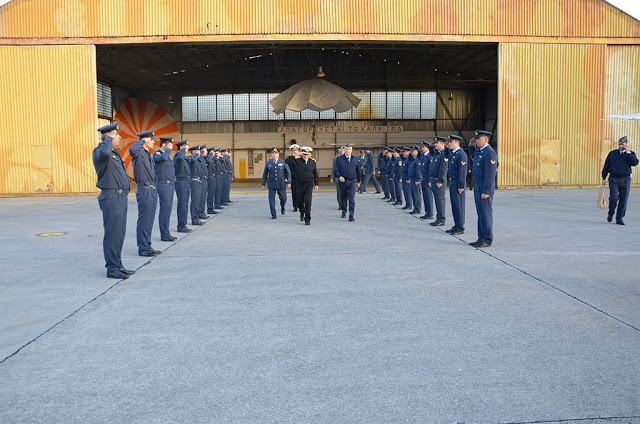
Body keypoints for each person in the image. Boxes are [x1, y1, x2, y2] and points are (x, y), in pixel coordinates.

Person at [93, 122, 135, 279]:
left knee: (119, 233)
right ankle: (112, 268)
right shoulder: (100, 151)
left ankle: (118, 264)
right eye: (117, 135)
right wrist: (109, 139)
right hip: (111, 197)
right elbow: (103, 153)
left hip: (120, 197)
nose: (120, 138)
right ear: (109, 136)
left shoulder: (114, 153)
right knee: (112, 234)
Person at [129, 130, 161, 257]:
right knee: (144, 220)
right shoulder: (138, 153)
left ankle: (147, 245)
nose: (153, 142)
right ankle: (142, 248)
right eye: (151, 139)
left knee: (149, 220)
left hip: (152, 189)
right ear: (146, 140)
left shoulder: (148, 154)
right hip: (145, 189)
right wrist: (142, 140)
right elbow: (132, 149)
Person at [470, 130, 498, 248]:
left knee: (485, 214)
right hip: (478, 185)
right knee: (480, 213)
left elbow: (490, 174)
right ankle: (481, 238)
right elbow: (473, 156)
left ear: (485, 140)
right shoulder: (480, 151)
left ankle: (486, 239)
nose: (477, 141)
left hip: (484, 186)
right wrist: (471, 146)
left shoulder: (489, 153)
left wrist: (487, 191)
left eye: (479, 139)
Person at [602, 135, 638, 225]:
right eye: (620, 144)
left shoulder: (630, 154)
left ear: (626, 144)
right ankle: (611, 213)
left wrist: (628, 152)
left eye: (623, 144)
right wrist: (604, 177)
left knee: (623, 199)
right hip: (614, 178)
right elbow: (606, 166)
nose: (621, 146)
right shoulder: (612, 154)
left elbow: (634, 163)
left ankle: (619, 218)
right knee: (613, 198)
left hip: (625, 179)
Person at [153, 137, 176, 242]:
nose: (171, 145)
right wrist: (168, 150)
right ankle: (164, 234)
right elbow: (162, 159)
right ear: (164, 144)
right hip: (163, 184)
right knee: (165, 210)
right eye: (169, 143)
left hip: (170, 185)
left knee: (168, 210)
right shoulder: (158, 154)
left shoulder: (166, 155)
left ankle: (166, 233)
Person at [290, 146, 319, 225]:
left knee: (308, 201)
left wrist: (316, 184)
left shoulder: (312, 162)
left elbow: (315, 173)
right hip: (299, 185)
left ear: (310, 155)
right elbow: (287, 162)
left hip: (309, 185)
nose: (305, 156)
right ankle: (302, 212)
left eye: (307, 154)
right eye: (304, 154)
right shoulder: (296, 161)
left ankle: (307, 219)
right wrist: (298, 154)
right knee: (299, 201)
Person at [446, 135, 468, 235]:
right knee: (454, 205)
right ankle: (456, 225)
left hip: (458, 182)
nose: (448, 144)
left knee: (459, 205)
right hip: (453, 181)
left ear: (455, 142)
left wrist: (461, 185)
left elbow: (462, 172)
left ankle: (460, 227)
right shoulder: (452, 154)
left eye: (450, 142)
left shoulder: (461, 154)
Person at [334, 143, 362, 221]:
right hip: (343, 181)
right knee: (343, 197)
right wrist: (339, 176)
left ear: (352, 150)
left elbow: (358, 171)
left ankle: (351, 214)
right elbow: (336, 170)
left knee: (351, 198)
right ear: (344, 150)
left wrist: (359, 181)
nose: (347, 151)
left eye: (349, 149)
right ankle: (344, 210)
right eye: (346, 149)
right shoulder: (339, 159)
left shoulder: (355, 159)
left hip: (352, 181)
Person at [261, 147, 292, 219]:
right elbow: (265, 174)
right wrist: (263, 184)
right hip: (271, 184)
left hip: (281, 183)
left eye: (275, 153)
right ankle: (273, 214)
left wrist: (289, 182)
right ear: (271, 155)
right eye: (272, 153)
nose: (274, 154)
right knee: (271, 199)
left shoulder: (283, 162)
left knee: (283, 198)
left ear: (278, 154)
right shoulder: (268, 163)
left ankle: (282, 206)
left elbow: (288, 172)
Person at [173, 139, 192, 233]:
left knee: (185, 204)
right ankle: (181, 226)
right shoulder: (178, 156)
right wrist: (182, 150)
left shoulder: (183, 158)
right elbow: (179, 158)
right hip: (181, 182)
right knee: (182, 205)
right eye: (186, 146)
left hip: (186, 182)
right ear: (181, 147)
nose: (187, 148)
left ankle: (183, 224)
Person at [188, 145, 205, 226]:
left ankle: (197, 217)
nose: (199, 153)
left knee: (198, 201)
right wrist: (196, 155)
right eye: (197, 151)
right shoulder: (191, 158)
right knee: (195, 201)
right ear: (194, 151)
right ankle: (194, 219)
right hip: (194, 181)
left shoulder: (197, 160)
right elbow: (192, 161)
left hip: (199, 181)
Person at [419, 140, 434, 220]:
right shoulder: (423, 156)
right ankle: (427, 212)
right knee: (425, 196)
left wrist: (429, 180)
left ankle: (430, 213)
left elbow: (430, 170)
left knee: (428, 196)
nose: (422, 148)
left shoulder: (429, 156)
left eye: (423, 147)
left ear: (427, 147)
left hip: (427, 178)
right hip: (423, 178)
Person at [285, 143, 301, 212]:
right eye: (293, 150)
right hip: (293, 178)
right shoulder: (289, 159)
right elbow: (286, 166)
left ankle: (301, 205)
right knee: (294, 193)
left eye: (296, 150)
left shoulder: (301, 158)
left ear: (298, 150)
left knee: (301, 193)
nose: (294, 152)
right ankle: (295, 206)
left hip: (301, 178)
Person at [408, 144, 422, 214]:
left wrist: (418, 179)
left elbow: (418, 170)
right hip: (412, 179)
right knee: (413, 194)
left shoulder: (418, 160)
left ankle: (418, 208)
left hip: (415, 179)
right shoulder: (413, 159)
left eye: (413, 151)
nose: (412, 152)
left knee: (416, 194)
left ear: (417, 151)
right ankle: (415, 208)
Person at [205, 146, 219, 216]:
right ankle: (209, 208)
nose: (214, 153)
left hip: (212, 176)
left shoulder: (212, 159)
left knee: (212, 193)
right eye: (213, 152)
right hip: (209, 177)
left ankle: (211, 207)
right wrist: (210, 154)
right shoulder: (208, 158)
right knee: (210, 194)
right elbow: (209, 161)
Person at [198, 146, 210, 219]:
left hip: (205, 179)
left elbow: (209, 161)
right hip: (201, 180)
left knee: (203, 198)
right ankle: (200, 213)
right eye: (205, 151)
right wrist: (201, 153)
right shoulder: (199, 159)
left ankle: (201, 213)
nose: (207, 152)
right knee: (201, 198)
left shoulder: (203, 159)